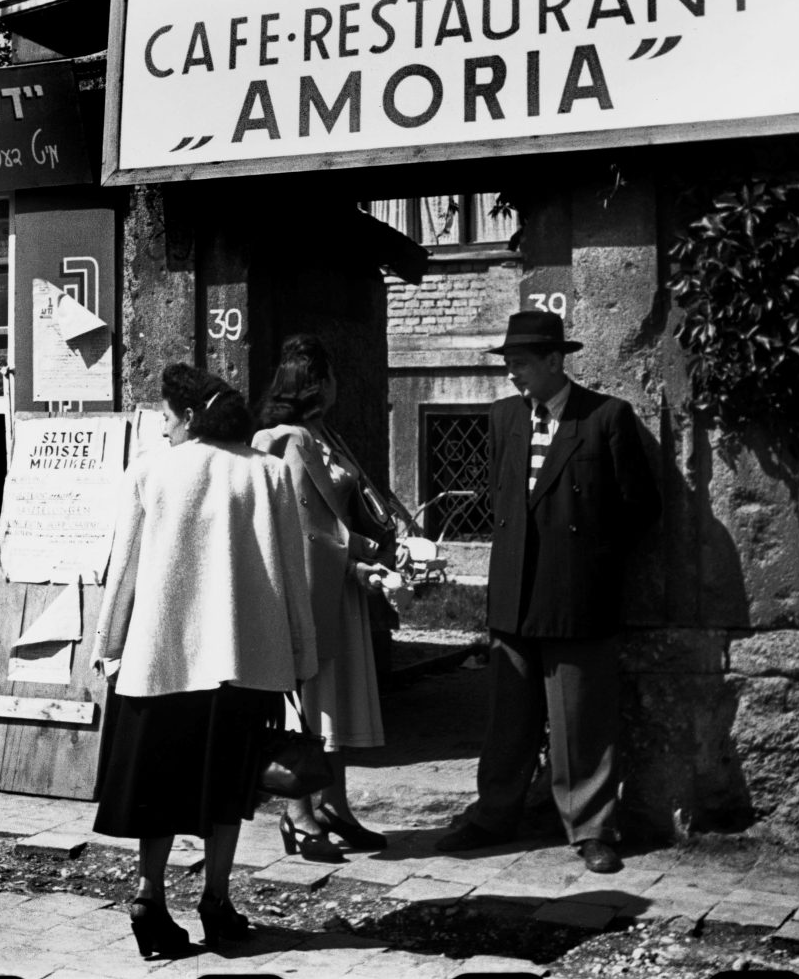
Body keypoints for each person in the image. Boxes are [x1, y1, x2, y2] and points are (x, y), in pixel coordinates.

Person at [93, 363, 318, 957]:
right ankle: (216, 899)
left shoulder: (150, 471)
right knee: (227, 786)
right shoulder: (267, 472)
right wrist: (302, 653)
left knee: (157, 785)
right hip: (243, 658)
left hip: (158, 659)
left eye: (167, 417)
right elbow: (292, 571)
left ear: (190, 417)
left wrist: (109, 646)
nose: (162, 428)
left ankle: (150, 896)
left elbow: (125, 569)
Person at [437, 311, 661, 874]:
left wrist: (588, 561)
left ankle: (592, 828)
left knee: (581, 720)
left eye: (521, 364)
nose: (512, 374)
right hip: (514, 595)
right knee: (507, 719)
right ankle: (494, 815)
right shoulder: (504, 417)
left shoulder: (606, 417)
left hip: (577, 596)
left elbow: (640, 507)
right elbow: (504, 497)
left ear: (556, 362)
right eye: (508, 364)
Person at [252, 334, 405, 861]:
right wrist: (361, 555)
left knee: (332, 708)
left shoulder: (326, 434)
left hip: (339, 585)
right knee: (308, 706)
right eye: (332, 375)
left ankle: (335, 806)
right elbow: (300, 528)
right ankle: (298, 813)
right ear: (317, 383)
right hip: (312, 588)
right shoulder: (287, 441)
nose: (339, 384)